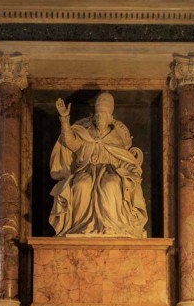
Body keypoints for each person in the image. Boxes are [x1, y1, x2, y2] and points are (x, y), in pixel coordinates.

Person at [49, 92, 148, 238]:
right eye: (98, 114)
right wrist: (64, 119)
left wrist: (129, 170)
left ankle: (111, 227)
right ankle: (80, 227)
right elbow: (70, 142)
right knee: (81, 185)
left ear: (110, 118)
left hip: (110, 172)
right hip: (86, 170)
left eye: (103, 114)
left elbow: (124, 159)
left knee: (111, 184)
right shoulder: (85, 135)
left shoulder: (116, 139)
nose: (100, 117)